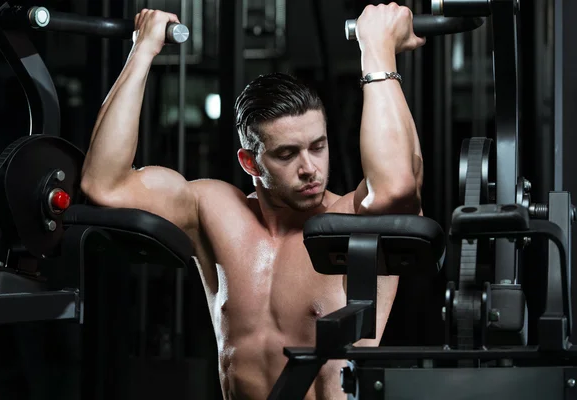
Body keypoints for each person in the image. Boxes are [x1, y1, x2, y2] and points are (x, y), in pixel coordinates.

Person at [80, 3, 426, 399]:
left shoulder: (353, 221)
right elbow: (103, 184)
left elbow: (398, 185)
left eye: (318, 146)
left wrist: (377, 50)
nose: (309, 168)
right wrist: (142, 51)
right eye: (286, 154)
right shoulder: (214, 212)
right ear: (249, 161)